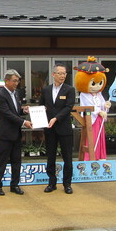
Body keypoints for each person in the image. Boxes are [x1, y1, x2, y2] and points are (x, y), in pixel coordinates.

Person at [0, 69, 32, 196]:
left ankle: (14, 185)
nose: (16, 83)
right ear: (7, 81)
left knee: (16, 161)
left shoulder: (16, 94)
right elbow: (7, 114)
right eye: (14, 81)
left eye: (18, 81)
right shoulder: (0, 95)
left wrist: (23, 111)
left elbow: (15, 111)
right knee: (1, 161)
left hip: (15, 134)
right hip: (4, 134)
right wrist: (23, 122)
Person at [40, 64, 76, 193]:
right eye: (60, 73)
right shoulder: (46, 90)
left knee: (67, 156)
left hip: (64, 127)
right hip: (50, 128)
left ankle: (67, 184)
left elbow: (68, 107)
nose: (62, 76)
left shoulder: (69, 89)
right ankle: (51, 183)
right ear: (53, 74)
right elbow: (42, 105)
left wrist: (56, 118)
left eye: (64, 73)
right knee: (51, 156)